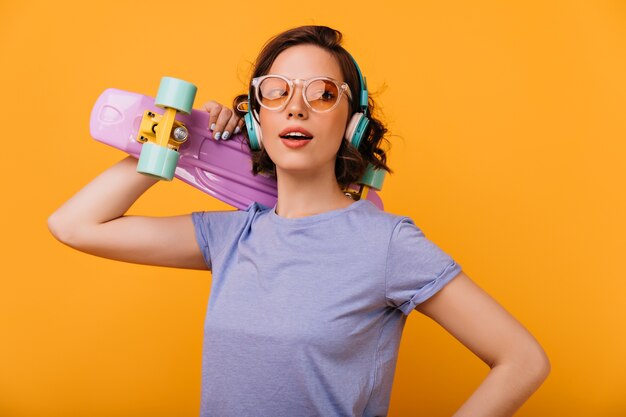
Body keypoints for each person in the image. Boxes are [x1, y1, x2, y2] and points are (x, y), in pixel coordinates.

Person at [48, 25, 550, 417]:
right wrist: (174, 136)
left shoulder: (388, 244)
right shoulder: (231, 235)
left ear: (352, 123)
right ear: (254, 119)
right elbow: (76, 225)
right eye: (276, 91)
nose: (296, 107)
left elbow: (523, 361)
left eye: (323, 93)